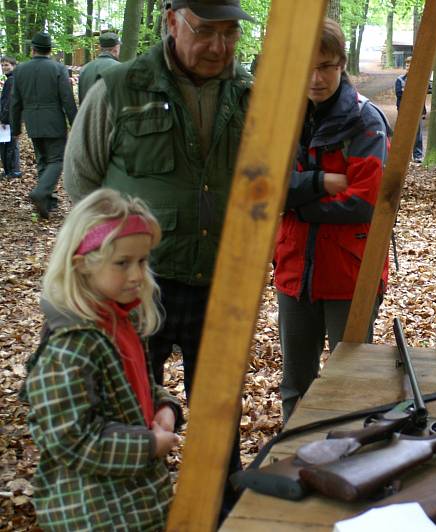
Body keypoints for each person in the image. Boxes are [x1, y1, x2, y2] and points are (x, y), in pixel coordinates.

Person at [62, 0, 255, 520]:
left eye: (230, 34)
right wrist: (100, 272)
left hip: (220, 283)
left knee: (219, 414)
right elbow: (82, 181)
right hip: (137, 286)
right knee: (130, 407)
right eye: (206, 31)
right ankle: (128, 512)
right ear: (172, 20)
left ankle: (217, 514)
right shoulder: (121, 88)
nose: (219, 47)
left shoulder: (250, 94)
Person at [22, 188, 183, 531]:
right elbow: (71, 440)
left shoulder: (119, 322)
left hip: (136, 504)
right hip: (94, 513)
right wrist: (148, 445)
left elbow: (133, 389)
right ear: (82, 265)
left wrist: (166, 407)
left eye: (142, 261)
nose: (138, 275)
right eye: (123, 263)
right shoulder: (70, 348)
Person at [275, 18, 390, 421]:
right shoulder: (283, 116)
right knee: (296, 385)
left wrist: (296, 202)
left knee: (352, 384)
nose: (316, 77)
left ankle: (351, 468)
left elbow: (362, 202)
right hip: (293, 271)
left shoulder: (364, 120)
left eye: (325, 65)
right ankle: (291, 462)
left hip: (350, 273)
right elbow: (265, 187)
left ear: (342, 64)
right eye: (306, 64)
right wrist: (323, 181)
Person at [10, 32, 77, 218]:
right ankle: (41, 193)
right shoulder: (58, 68)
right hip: (54, 121)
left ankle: (47, 201)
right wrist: (76, 123)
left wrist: (16, 128)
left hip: (33, 122)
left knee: (42, 160)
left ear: (33, 49)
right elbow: (67, 98)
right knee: (57, 160)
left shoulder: (21, 70)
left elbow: (15, 102)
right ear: (50, 50)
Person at [395, 55, 424, 163]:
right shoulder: (400, 79)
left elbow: (422, 93)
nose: (408, 66)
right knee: (404, 134)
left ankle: (418, 156)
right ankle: (403, 156)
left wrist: (407, 91)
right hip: (403, 110)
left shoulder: (420, 79)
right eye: (407, 64)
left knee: (418, 133)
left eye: (410, 64)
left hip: (417, 110)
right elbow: (399, 94)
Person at [78, 32, 121, 104]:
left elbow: (81, 98)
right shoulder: (120, 69)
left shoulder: (84, 68)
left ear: (100, 48)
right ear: (116, 48)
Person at [0, 56, 22, 179]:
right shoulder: (11, 79)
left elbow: (9, 102)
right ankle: (9, 170)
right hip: (9, 118)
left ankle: (13, 171)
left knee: (9, 146)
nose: (4, 67)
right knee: (5, 144)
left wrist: (3, 119)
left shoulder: (12, 80)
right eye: (2, 65)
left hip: (9, 119)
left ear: (13, 65)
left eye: (7, 65)